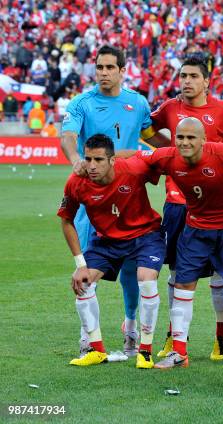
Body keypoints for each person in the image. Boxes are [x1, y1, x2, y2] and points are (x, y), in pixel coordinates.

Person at [60, 45, 166, 358]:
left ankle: (131, 328)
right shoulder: (82, 103)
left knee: (134, 270)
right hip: (93, 195)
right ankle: (87, 339)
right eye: (100, 67)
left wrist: (179, 152)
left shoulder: (137, 102)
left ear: (122, 70)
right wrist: (76, 159)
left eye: (110, 67)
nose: (104, 73)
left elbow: (151, 137)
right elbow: (67, 135)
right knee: (85, 270)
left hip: (129, 192)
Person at [134, 118, 223, 371]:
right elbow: (136, 157)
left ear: (204, 139)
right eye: (180, 137)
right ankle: (179, 352)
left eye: (191, 138)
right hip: (196, 230)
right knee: (182, 285)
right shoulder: (168, 157)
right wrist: (105, 158)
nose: (185, 142)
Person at [150, 55, 223, 362]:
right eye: (183, 75)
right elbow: (146, 131)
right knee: (178, 273)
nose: (187, 81)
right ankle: (175, 338)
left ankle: (221, 335)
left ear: (207, 80)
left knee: (222, 275)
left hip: (220, 207)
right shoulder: (169, 108)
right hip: (178, 205)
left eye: (194, 76)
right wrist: (169, 152)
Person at [57, 134, 165, 369]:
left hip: (145, 235)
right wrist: (80, 264)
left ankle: (144, 351)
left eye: (99, 160)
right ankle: (96, 350)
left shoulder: (134, 169)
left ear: (112, 160)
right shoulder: (76, 181)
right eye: (88, 159)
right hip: (106, 241)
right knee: (82, 284)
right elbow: (66, 221)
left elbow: (148, 156)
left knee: (146, 281)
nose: (92, 166)